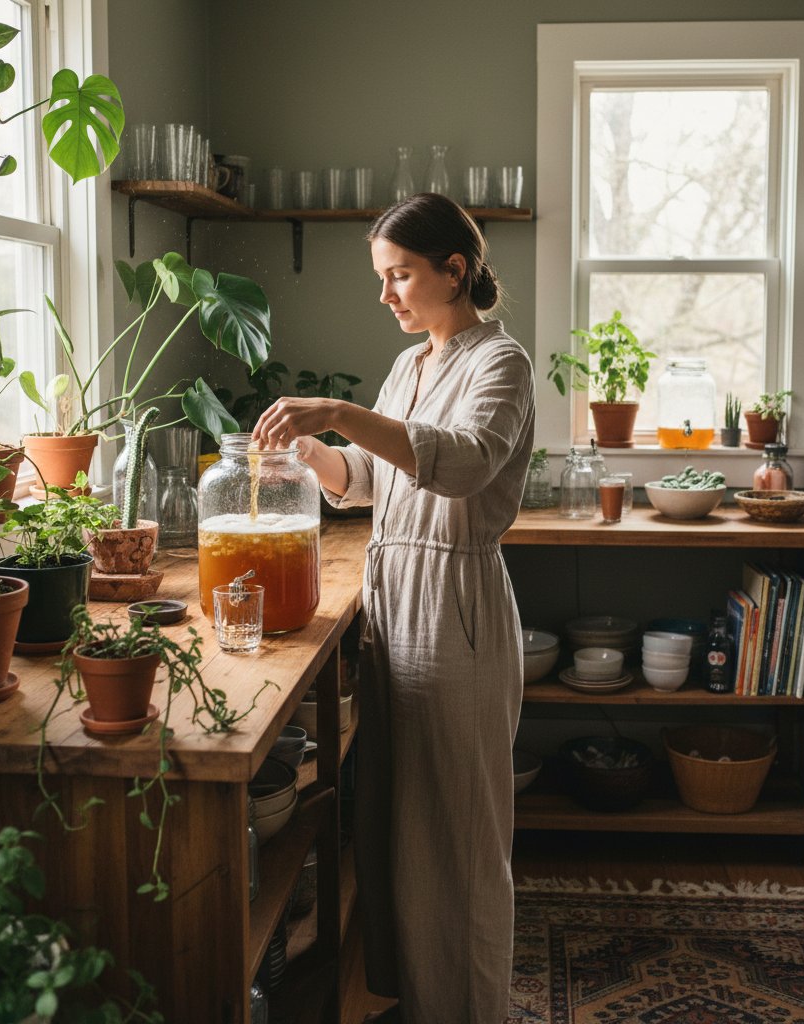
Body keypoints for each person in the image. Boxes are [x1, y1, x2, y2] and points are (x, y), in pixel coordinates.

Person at [253, 192, 535, 1024]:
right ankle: (422, 1002)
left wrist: (339, 411)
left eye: (399, 275)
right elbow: (372, 480)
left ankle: (471, 1008)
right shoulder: (410, 367)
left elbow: (462, 464)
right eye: (381, 278)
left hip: (457, 608)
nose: (387, 296)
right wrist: (312, 452)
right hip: (392, 601)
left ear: (455, 270)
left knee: (462, 835)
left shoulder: (501, 362)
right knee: (402, 824)